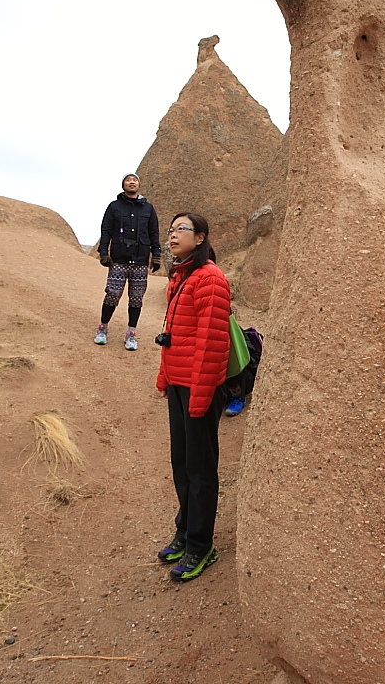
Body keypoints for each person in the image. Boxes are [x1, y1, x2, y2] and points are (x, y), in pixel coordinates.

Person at [155, 212, 231, 582]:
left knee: (200, 470)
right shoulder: (181, 276)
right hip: (180, 385)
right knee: (182, 463)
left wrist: (201, 396)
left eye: (180, 230)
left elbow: (212, 344)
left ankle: (202, 547)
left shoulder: (210, 279)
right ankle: (185, 533)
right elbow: (171, 334)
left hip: (200, 389)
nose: (172, 236)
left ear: (200, 238)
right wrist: (164, 376)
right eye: (170, 230)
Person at [94, 174, 161, 350]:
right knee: (113, 293)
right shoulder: (114, 207)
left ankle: (131, 334)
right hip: (119, 259)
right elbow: (106, 229)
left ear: (139, 184)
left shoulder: (148, 208)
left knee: (136, 298)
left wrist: (156, 254)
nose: (132, 182)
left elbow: (154, 232)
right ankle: (102, 329)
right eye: (128, 180)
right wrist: (103, 252)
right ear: (123, 185)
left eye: (135, 180)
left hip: (140, 260)